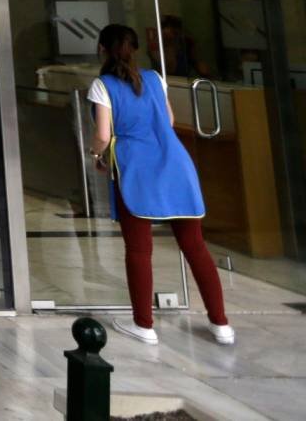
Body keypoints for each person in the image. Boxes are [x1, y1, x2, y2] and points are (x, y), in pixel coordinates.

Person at [87, 22, 233, 345]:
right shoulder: (154, 79)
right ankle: (221, 324)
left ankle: (144, 325)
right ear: (135, 50)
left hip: (136, 169)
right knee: (195, 246)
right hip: (176, 165)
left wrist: (96, 155)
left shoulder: (102, 85)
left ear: (101, 49)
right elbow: (168, 120)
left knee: (139, 249)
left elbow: (103, 135)